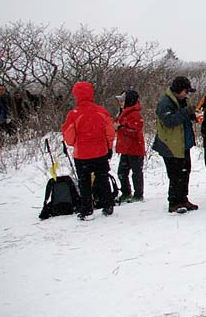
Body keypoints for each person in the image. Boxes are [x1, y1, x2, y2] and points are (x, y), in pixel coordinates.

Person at [61, 81, 116, 220]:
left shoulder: (73, 114)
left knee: (84, 182)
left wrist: (77, 143)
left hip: (82, 154)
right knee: (103, 179)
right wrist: (109, 147)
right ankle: (108, 205)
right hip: (100, 152)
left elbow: (68, 136)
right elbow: (110, 132)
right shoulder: (102, 111)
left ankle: (87, 210)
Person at [152, 76, 198, 214]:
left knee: (185, 172)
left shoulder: (183, 100)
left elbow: (184, 117)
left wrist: (193, 116)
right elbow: (169, 121)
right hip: (170, 145)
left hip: (184, 143)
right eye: (186, 91)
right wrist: (185, 112)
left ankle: (183, 199)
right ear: (179, 90)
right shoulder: (165, 103)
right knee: (175, 174)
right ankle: (174, 202)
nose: (187, 94)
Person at [114, 89, 145, 203]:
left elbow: (136, 132)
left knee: (136, 173)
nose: (120, 102)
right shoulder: (123, 112)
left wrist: (121, 128)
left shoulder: (134, 114)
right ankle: (126, 193)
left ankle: (138, 194)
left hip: (135, 148)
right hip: (126, 148)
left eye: (122, 100)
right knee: (122, 172)